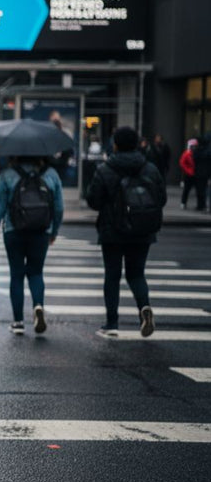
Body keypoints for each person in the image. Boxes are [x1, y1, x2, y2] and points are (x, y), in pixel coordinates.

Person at [86, 126, 166, 338]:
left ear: (115, 144)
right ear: (137, 144)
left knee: (112, 276)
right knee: (137, 274)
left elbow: (93, 200)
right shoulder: (150, 168)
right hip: (143, 230)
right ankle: (144, 308)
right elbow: (162, 198)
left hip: (112, 231)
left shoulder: (106, 168)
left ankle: (112, 324)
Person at [0, 156, 64, 336]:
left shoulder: (7, 175)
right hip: (41, 231)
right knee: (36, 272)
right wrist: (53, 232)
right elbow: (59, 208)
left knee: (17, 274)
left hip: (14, 231)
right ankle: (38, 305)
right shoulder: (51, 174)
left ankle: (18, 322)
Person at [180, 138, 199, 210]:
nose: (194, 147)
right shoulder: (187, 154)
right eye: (193, 146)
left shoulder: (196, 154)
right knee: (186, 190)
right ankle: (183, 202)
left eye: (195, 146)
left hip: (195, 174)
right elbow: (182, 163)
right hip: (188, 174)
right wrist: (187, 170)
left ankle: (199, 204)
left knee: (198, 190)